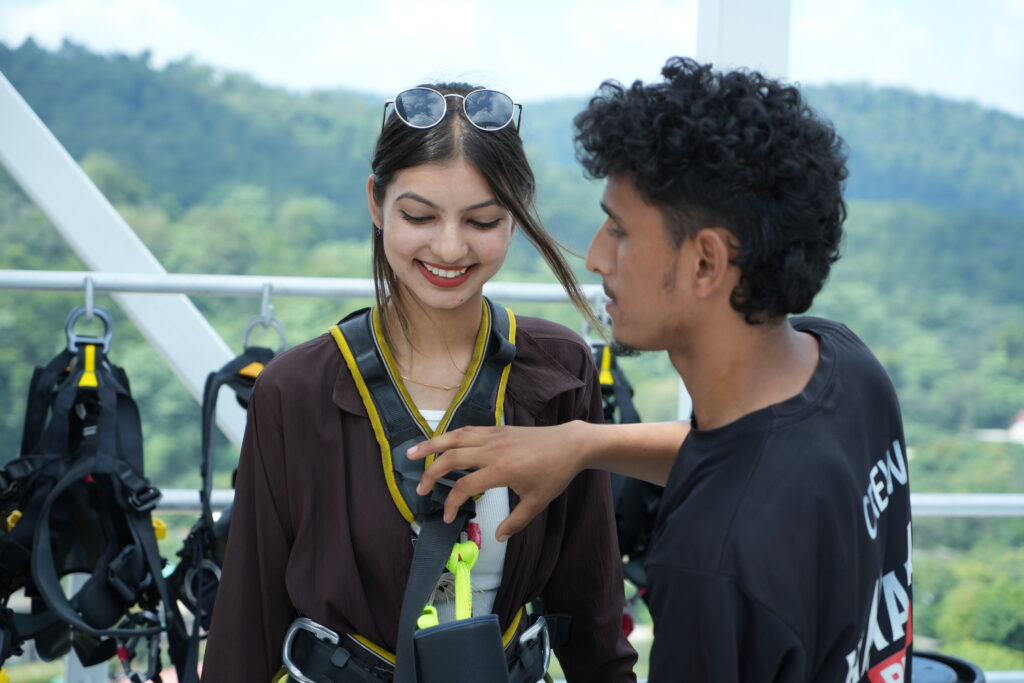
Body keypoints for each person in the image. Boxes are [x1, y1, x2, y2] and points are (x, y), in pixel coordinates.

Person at [412, 58, 914, 682]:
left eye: (619, 231)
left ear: (706, 263)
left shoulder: (711, 563)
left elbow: (745, 491)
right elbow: (756, 459)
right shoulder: (846, 369)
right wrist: (582, 443)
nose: (595, 257)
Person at [202, 83, 637, 682]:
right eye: (419, 216)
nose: (450, 247)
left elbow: (588, 601)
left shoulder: (558, 371)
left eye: (482, 220)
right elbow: (247, 619)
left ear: (515, 216)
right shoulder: (296, 390)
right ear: (376, 203)